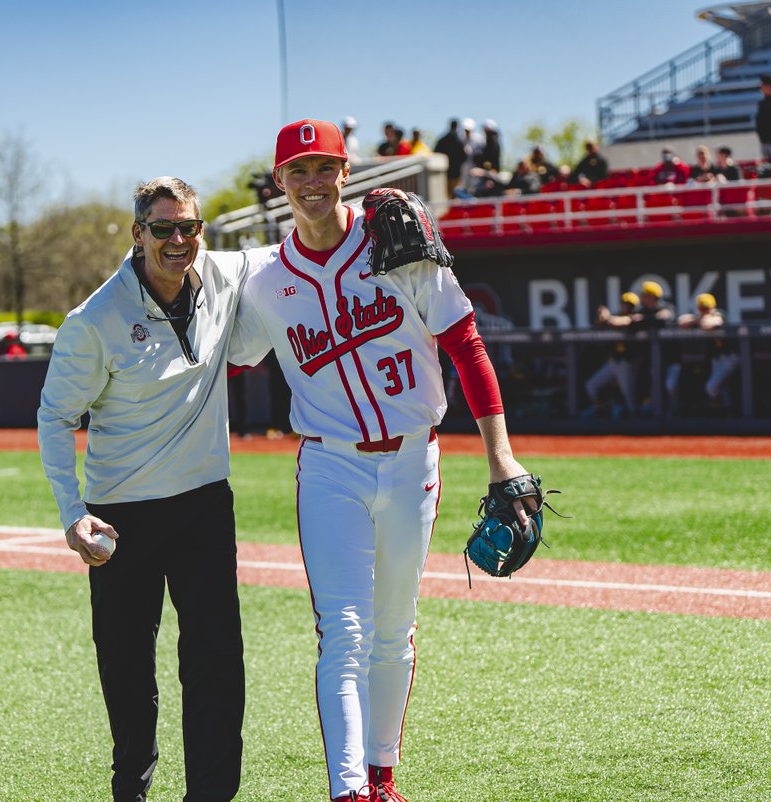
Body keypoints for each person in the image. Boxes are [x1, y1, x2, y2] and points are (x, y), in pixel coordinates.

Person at [229, 119, 537, 802]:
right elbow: (223, 360)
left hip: (411, 463)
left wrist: (501, 457)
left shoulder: (396, 243)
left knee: (394, 631)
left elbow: (467, 345)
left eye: (325, 168)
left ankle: (381, 776)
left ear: (347, 172)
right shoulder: (265, 280)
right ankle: (348, 792)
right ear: (279, 182)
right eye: (298, 171)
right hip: (330, 467)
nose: (312, 183)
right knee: (342, 631)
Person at [37, 176, 249, 802]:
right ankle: (131, 789)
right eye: (164, 229)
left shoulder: (221, 274)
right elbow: (55, 417)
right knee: (127, 667)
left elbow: (296, 247)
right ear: (138, 234)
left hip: (205, 506)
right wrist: (72, 512)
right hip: (121, 518)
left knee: (216, 662)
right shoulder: (95, 319)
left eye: (189, 227)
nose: (179, 240)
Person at [665, 293, 737, 415]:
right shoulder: (699, 317)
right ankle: (727, 412)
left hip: (729, 357)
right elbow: (681, 321)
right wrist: (698, 318)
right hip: (716, 357)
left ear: (712, 307)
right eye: (702, 308)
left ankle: (726, 411)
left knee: (712, 387)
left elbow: (707, 325)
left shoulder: (720, 314)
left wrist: (700, 319)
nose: (704, 310)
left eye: (707, 308)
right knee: (721, 388)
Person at [583, 291, 641, 418]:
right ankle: (599, 409)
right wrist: (601, 319)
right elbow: (602, 324)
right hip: (615, 361)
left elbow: (622, 321)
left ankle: (636, 420)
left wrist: (607, 318)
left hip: (628, 362)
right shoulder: (617, 316)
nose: (626, 306)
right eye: (624, 304)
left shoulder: (637, 317)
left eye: (629, 304)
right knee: (591, 386)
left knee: (628, 395)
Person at [433, 118, 467, 197]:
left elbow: (435, 153)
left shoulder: (443, 140)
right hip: (454, 173)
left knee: (448, 195)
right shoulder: (459, 141)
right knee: (455, 194)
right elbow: (464, 157)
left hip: (446, 173)